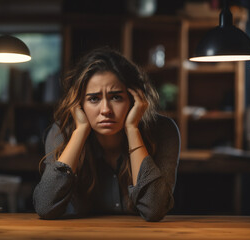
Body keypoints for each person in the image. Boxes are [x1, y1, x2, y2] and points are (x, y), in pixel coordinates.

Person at [33, 47, 180, 222]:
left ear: (134, 100)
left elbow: (154, 209)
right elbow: (45, 207)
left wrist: (132, 129)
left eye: (116, 97)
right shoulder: (62, 132)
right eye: (93, 99)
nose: (105, 110)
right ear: (79, 103)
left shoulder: (163, 130)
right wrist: (80, 131)